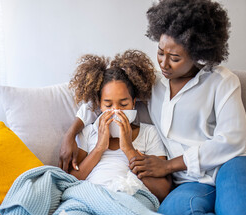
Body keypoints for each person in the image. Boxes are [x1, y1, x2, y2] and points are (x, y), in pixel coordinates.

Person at [59, 0, 246, 215]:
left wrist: (168, 165)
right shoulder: (154, 83)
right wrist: (70, 135)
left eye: (175, 57)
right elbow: (104, 100)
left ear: (198, 54)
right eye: (160, 52)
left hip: (232, 164)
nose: (163, 63)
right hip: (190, 181)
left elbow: (234, 140)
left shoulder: (222, 81)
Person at [68, 50, 171, 202]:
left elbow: (162, 191)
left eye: (123, 104)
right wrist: (99, 148)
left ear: (133, 103)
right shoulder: (89, 132)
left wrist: (129, 150)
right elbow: (71, 181)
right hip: (92, 198)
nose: (116, 111)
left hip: (132, 200)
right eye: (108, 104)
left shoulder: (149, 133)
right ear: (99, 105)